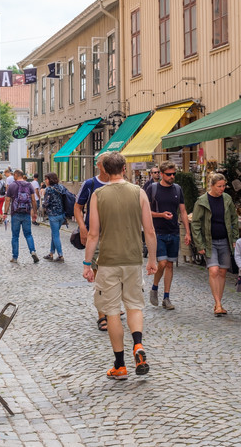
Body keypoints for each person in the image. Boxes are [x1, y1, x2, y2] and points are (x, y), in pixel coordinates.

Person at [82, 153, 157, 380]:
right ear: (124, 168)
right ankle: (138, 344)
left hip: (108, 261)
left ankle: (120, 365)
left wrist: (87, 263)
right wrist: (152, 259)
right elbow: (150, 231)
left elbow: (94, 234)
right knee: (134, 306)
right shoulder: (139, 192)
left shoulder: (98, 194)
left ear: (104, 169)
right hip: (133, 260)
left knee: (112, 312)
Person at [191, 173, 240, 317]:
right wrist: (199, 243)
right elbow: (196, 223)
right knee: (213, 271)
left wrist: (235, 238)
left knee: (222, 272)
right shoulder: (202, 201)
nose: (222, 189)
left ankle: (219, 302)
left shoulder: (227, 199)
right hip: (209, 241)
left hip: (225, 240)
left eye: (224, 186)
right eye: (219, 186)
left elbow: (233, 218)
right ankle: (218, 304)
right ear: (211, 186)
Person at [146, 160, 191, 311]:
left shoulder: (177, 189)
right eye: (169, 174)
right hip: (157, 232)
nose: (172, 176)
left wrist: (187, 232)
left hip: (173, 231)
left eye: (174, 174)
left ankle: (166, 297)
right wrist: (160, 215)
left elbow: (183, 212)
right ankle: (154, 287)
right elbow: (145, 212)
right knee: (162, 263)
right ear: (161, 174)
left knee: (170, 265)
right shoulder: (153, 189)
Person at [74, 154, 111, 330]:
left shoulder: (118, 182)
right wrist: (82, 227)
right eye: (105, 164)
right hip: (95, 235)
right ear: (99, 166)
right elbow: (78, 207)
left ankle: (111, 306)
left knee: (115, 275)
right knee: (100, 276)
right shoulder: (90, 184)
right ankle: (102, 315)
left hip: (115, 236)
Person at [3, 169, 40, 264]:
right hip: (26, 213)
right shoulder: (29, 185)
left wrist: (5, 213)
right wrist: (35, 212)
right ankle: (33, 251)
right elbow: (33, 200)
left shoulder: (12, 185)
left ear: (15, 175)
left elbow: (7, 200)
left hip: (15, 213)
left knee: (15, 236)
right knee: (28, 234)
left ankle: (15, 257)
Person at [42, 172, 68, 263]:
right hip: (62, 215)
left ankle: (60, 255)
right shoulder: (61, 187)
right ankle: (51, 254)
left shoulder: (48, 189)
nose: (45, 181)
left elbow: (46, 203)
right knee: (54, 234)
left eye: (46, 179)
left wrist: (42, 202)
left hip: (53, 215)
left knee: (55, 235)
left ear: (50, 179)